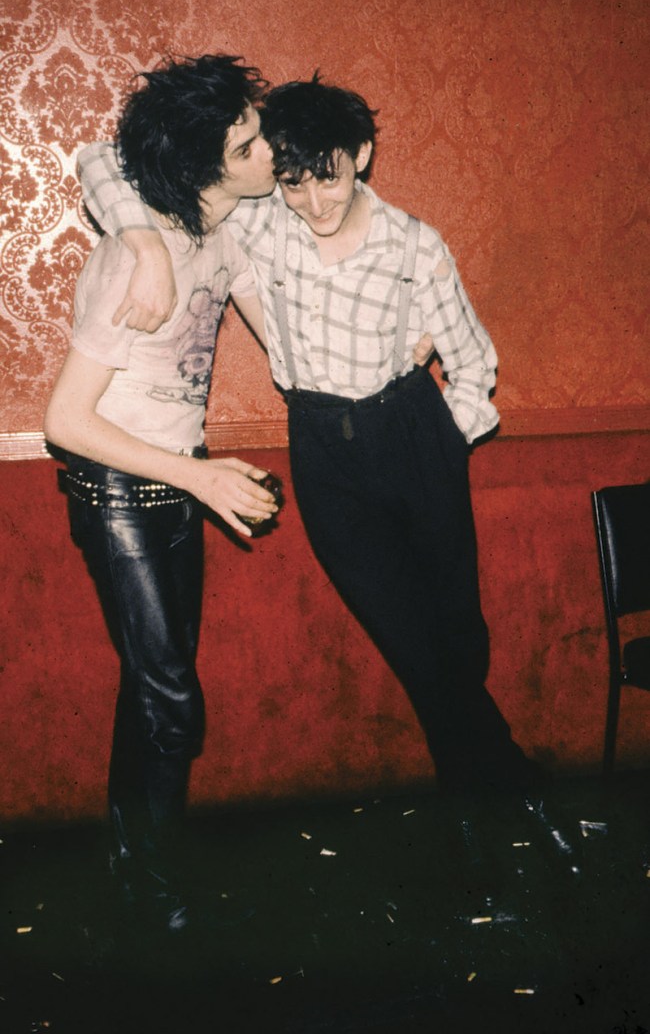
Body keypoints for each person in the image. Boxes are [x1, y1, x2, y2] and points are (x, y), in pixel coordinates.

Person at [77, 76, 581, 890]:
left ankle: (500, 791)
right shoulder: (259, 221)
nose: (312, 200)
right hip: (323, 450)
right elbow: (103, 159)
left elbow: (473, 361)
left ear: (364, 158)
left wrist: (440, 439)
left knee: (457, 638)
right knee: (416, 643)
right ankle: (493, 802)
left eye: (332, 176)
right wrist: (139, 244)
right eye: (295, 179)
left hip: (413, 432)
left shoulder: (414, 242)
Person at [44, 54, 282, 936]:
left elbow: (284, 333)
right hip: (120, 490)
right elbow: (65, 419)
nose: (266, 151)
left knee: (153, 693)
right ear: (204, 164)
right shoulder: (132, 258)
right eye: (248, 142)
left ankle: (135, 862)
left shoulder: (222, 236)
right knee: (172, 701)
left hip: (178, 485)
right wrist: (200, 475)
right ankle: (150, 885)